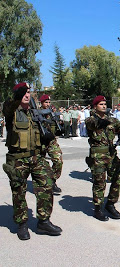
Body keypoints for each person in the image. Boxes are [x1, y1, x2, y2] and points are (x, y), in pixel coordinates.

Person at [3, 82, 62, 240]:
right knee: (19, 191)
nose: (27, 95)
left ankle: (43, 221)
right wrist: (17, 95)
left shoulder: (35, 113)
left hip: (36, 156)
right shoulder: (12, 112)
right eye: (23, 92)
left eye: (29, 92)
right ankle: (22, 224)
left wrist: (48, 136)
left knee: (46, 185)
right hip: (18, 158)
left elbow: (42, 132)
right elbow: (7, 106)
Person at [85, 96, 120, 221]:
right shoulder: (90, 120)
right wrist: (107, 122)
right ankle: (98, 208)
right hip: (98, 156)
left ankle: (110, 203)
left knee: (119, 178)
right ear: (95, 106)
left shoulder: (111, 119)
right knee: (99, 183)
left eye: (104, 104)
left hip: (111, 155)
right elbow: (96, 124)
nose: (104, 106)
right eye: (101, 104)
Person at [39, 94, 63, 194]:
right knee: (41, 165)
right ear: (41, 103)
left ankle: (52, 181)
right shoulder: (37, 113)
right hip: (40, 142)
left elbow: (55, 128)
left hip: (52, 141)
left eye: (49, 102)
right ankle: (43, 183)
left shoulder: (52, 113)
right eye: (46, 102)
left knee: (58, 161)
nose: (48, 104)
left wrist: (59, 127)